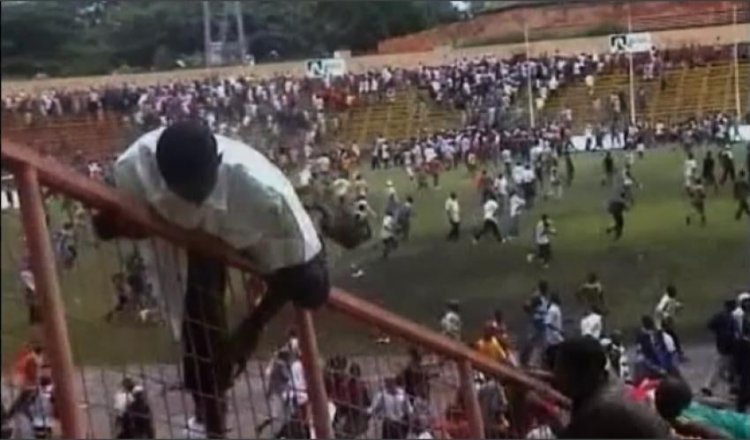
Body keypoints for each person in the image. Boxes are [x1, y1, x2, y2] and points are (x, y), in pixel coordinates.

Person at [92, 122, 364, 438]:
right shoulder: (135, 168)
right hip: (194, 239)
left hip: (250, 235)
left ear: (218, 164)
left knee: (312, 290)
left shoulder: (262, 192)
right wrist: (131, 224)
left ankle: (317, 214)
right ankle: (212, 421)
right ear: (162, 175)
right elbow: (104, 223)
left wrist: (251, 329)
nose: (193, 198)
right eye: (183, 190)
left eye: (199, 188)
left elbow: (305, 270)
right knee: (201, 358)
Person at [552, 337, 670, 438]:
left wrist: (550, 416)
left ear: (583, 372)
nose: (555, 375)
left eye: (561, 369)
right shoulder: (618, 387)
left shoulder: (599, 410)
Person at [655, 378, 750, 439]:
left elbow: (721, 436)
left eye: (657, 394)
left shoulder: (681, 419)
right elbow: (716, 403)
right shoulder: (689, 404)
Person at [702, 300, 738, 397]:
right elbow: (735, 333)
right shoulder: (731, 319)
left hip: (722, 345)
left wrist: (718, 333)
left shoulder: (720, 316)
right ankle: (708, 387)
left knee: (725, 368)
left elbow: (710, 325)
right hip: (729, 347)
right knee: (724, 368)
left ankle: (733, 387)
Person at [655, 285, 685, 361]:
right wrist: (666, 316)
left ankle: (676, 354)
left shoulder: (670, 299)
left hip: (667, 323)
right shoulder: (665, 300)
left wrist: (678, 306)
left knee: (668, 339)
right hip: (663, 324)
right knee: (672, 338)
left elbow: (672, 304)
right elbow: (659, 310)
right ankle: (678, 354)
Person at [543, 293, 564, 370]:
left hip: (556, 335)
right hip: (554, 336)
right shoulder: (552, 310)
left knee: (555, 351)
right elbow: (548, 323)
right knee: (554, 351)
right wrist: (558, 330)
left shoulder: (556, 308)